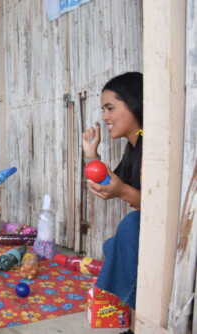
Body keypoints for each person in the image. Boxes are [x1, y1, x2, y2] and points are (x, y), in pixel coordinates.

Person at [82, 72, 143, 334]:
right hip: (151, 226)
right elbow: (109, 181)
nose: (105, 117)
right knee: (113, 244)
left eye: (110, 108)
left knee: (129, 227)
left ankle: (142, 318)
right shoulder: (134, 145)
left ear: (133, 103)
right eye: (103, 109)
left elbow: (159, 207)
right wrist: (90, 153)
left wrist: (122, 190)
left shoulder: (152, 143)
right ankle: (132, 317)